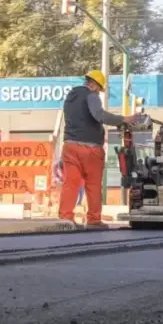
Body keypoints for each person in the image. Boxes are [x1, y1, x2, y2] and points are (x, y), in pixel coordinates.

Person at [58, 70, 140, 228]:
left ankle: (65, 218)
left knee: (70, 184)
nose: (99, 92)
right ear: (94, 85)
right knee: (93, 185)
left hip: (70, 146)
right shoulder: (91, 95)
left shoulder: (70, 96)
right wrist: (124, 119)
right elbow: (99, 115)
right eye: (99, 89)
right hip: (90, 149)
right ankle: (94, 220)